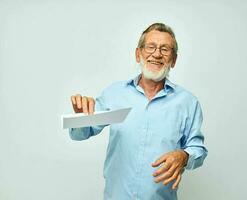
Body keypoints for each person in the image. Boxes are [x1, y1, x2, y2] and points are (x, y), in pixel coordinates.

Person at [69, 23, 208, 200]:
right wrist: (80, 117)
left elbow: (198, 149)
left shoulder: (188, 103)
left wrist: (185, 155)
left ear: (174, 60)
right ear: (138, 54)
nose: (157, 54)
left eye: (165, 49)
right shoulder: (115, 94)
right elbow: (80, 133)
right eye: (151, 47)